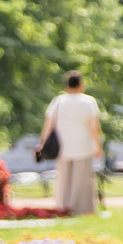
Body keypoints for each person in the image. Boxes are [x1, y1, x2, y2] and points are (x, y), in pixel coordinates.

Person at [39, 72, 104, 216]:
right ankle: (83, 209)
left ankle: (63, 207)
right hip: (83, 145)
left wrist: (42, 143)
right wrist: (98, 145)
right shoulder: (88, 101)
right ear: (81, 85)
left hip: (62, 147)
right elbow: (94, 126)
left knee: (63, 180)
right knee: (82, 180)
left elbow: (49, 124)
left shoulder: (58, 101)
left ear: (67, 85)